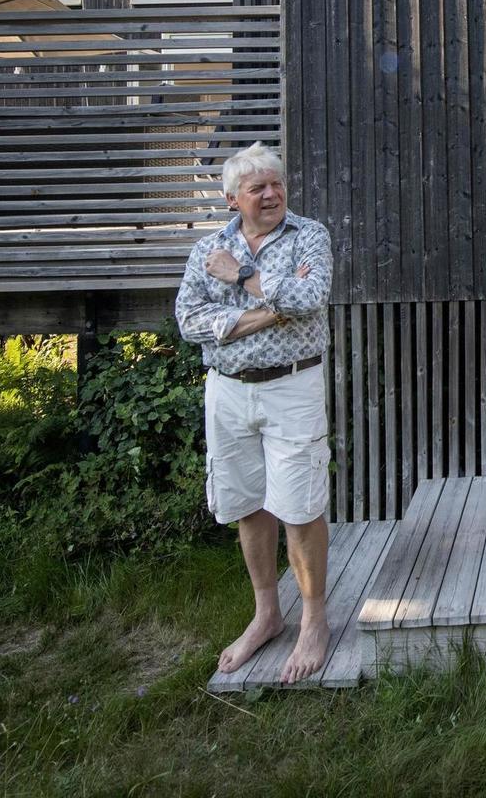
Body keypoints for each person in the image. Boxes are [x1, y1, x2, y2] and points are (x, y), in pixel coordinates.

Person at [175, 142, 334, 684]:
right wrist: (269, 310)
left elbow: (310, 297)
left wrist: (241, 278)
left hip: (292, 387)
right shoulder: (206, 250)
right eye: (257, 187)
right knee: (248, 504)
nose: (271, 194)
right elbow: (190, 320)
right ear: (231, 199)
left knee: (301, 504)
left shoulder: (309, 236)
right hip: (228, 391)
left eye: (277, 184)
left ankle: (314, 621)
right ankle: (267, 614)